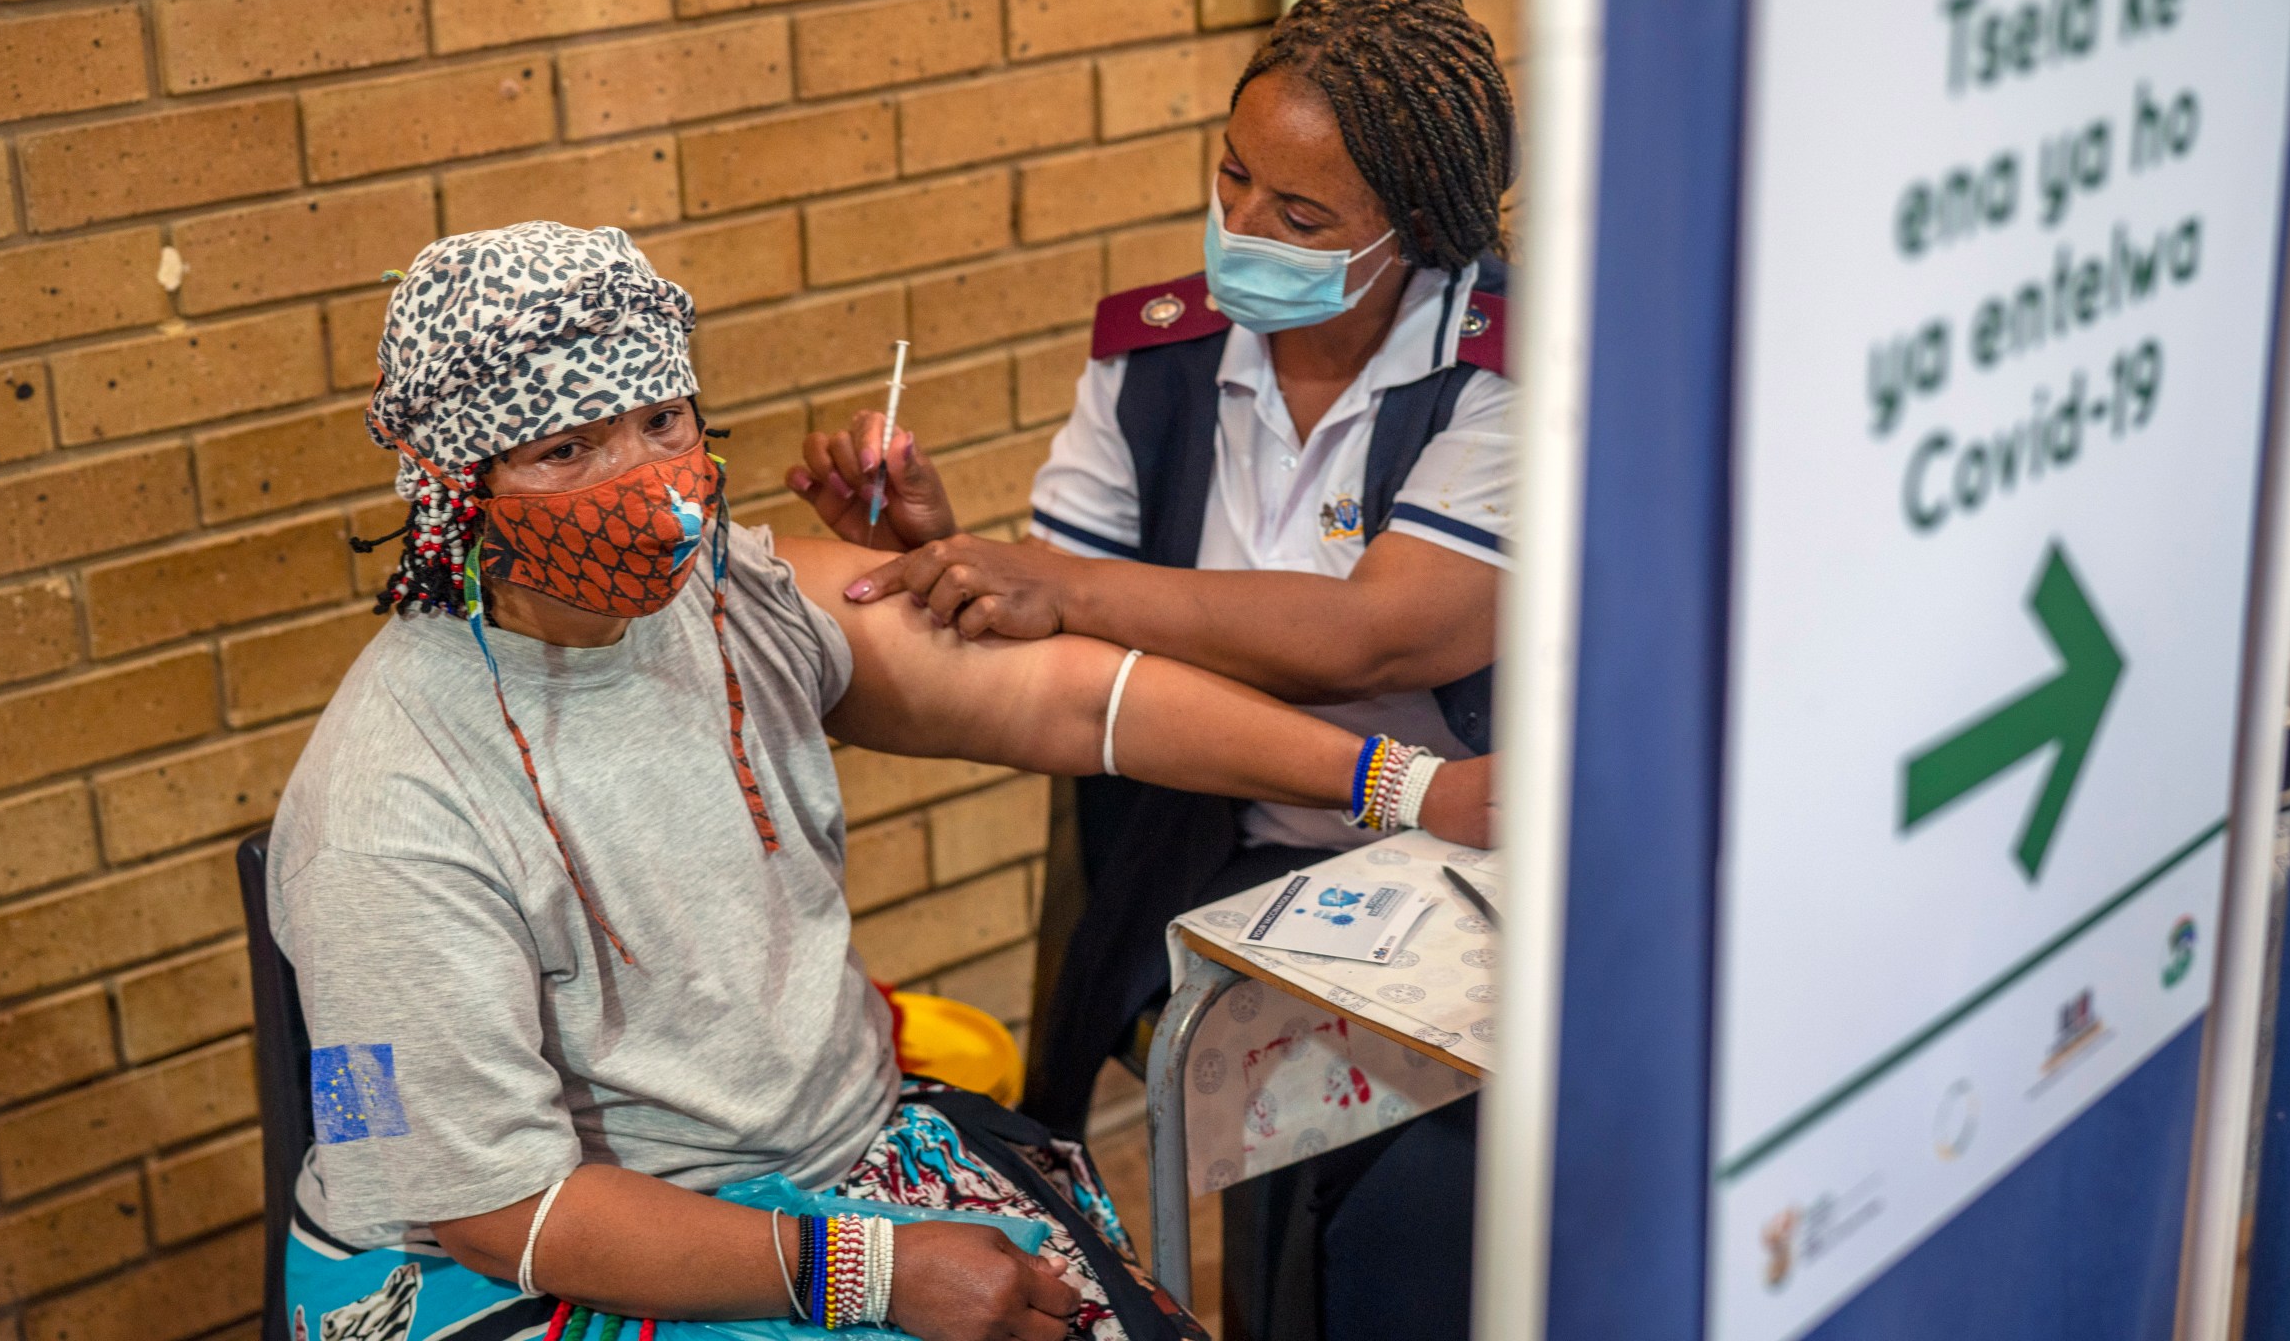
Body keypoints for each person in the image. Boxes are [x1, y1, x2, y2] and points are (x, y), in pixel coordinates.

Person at [274, 222, 1491, 1341]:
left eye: (662, 420)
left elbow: (1063, 696)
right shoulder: (393, 808)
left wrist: (1405, 784)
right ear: (454, 492)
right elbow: (502, 1214)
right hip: (551, 1262)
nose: (646, 487)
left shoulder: (729, 600)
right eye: (567, 448)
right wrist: (868, 1271)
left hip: (827, 1166)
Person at [790, 0, 1514, 1341]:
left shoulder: (1511, 373)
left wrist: (1058, 585)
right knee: (1278, 1140)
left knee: (1414, 1183)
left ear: (1414, 228)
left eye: (1302, 217)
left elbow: (1383, 630)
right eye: (1233, 180)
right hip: (1223, 842)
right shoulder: (1157, 356)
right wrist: (961, 563)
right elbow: (1059, 629)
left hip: (1469, 842)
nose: (1245, 230)